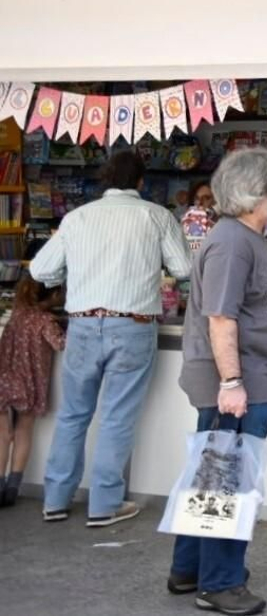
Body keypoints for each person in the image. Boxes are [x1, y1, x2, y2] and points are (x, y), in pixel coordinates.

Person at [30, 149, 192, 527]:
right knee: (117, 417)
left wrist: (66, 281)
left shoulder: (77, 218)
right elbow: (183, 268)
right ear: (140, 181)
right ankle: (103, 504)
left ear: (105, 180)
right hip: (133, 325)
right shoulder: (156, 216)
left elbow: (41, 269)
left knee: (73, 415)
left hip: (83, 324)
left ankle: (55, 499)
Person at [168, 148, 267, 616]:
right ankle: (220, 581)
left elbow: (241, 302)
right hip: (241, 382)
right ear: (255, 193)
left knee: (212, 473)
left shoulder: (246, 239)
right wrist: (233, 381)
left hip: (248, 378)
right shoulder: (232, 241)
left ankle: (189, 569)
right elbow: (220, 317)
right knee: (229, 480)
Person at [0, 275, 67, 507]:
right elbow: (61, 344)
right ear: (54, 296)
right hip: (29, 383)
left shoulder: (15, 316)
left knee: (3, 435)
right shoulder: (45, 321)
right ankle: (12, 489)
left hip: (4, 379)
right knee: (23, 432)